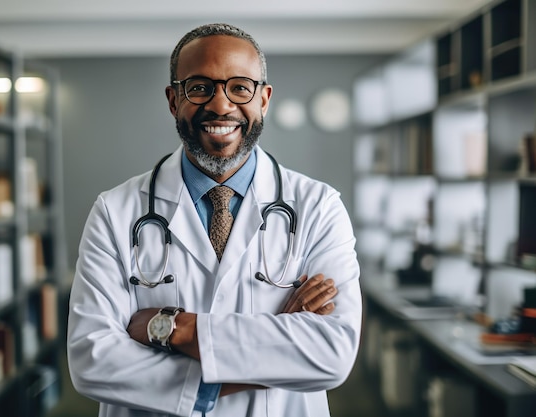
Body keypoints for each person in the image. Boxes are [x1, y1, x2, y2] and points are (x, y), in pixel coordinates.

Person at [67, 23, 362, 417]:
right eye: (200, 87)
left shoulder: (319, 207)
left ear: (264, 99)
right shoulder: (115, 211)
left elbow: (332, 355)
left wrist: (176, 329)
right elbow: (93, 362)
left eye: (240, 87)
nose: (221, 106)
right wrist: (274, 344)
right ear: (173, 100)